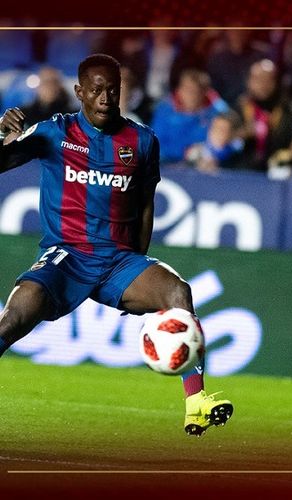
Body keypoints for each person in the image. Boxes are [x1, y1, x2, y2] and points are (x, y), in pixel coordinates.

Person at [0, 54, 233, 437]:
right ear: (79, 92)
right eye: (96, 90)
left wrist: (137, 263)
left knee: (178, 291)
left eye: (113, 89)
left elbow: (144, 205)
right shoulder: (54, 132)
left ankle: (197, 405)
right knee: (15, 317)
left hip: (117, 261)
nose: (106, 97)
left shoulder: (142, 141)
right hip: (67, 256)